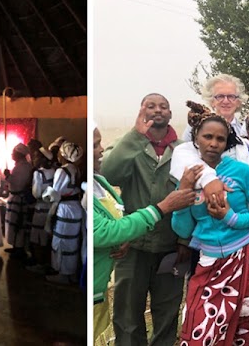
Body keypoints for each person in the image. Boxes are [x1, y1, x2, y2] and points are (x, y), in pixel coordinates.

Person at [170, 103, 249, 344]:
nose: (213, 143)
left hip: (246, 255)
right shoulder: (188, 175)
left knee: (240, 326)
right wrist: (184, 189)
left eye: (220, 139)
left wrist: (231, 217)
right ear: (195, 139)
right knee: (199, 329)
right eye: (207, 137)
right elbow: (182, 229)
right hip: (208, 260)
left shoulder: (240, 171)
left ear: (226, 143)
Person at [92, 122, 197, 341]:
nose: (158, 110)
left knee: (167, 311)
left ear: (169, 114)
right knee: (128, 312)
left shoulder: (184, 151)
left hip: (171, 247)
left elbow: (194, 197)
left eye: (163, 106)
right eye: (150, 106)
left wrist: (184, 240)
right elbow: (109, 171)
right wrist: (135, 135)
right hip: (133, 247)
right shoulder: (127, 148)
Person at [43, 142, 84, 284]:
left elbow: (56, 193)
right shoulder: (76, 170)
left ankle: (62, 273)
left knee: (61, 242)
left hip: (65, 209)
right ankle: (70, 272)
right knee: (72, 243)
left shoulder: (62, 171)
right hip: (76, 208)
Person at [183, 74, 249, 140]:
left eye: (231, 96)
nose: (226, 101)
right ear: (212, 101)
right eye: (220, 96)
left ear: (238, 102)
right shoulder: (196, 127)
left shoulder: (246, 131)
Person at [26, 147, 56, 274]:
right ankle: (46, 262)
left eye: (37, 156)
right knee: (46, 238)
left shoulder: (38, 173)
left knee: (37, 238)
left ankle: (39, 264)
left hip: (40, 208)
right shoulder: (55, 171)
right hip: (51, 208)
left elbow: (36, 193)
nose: (34, 158)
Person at [4, 143, 34, 260]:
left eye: (13, 152)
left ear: (19, 154)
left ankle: (19, 248)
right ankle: (15, 245)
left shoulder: (23, 167)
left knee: (18, 224)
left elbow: (17, 183)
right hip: (14, 198)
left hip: (18, 199)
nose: (12, 154)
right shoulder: (20, 166)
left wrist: (8, 176)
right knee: (13, 223)